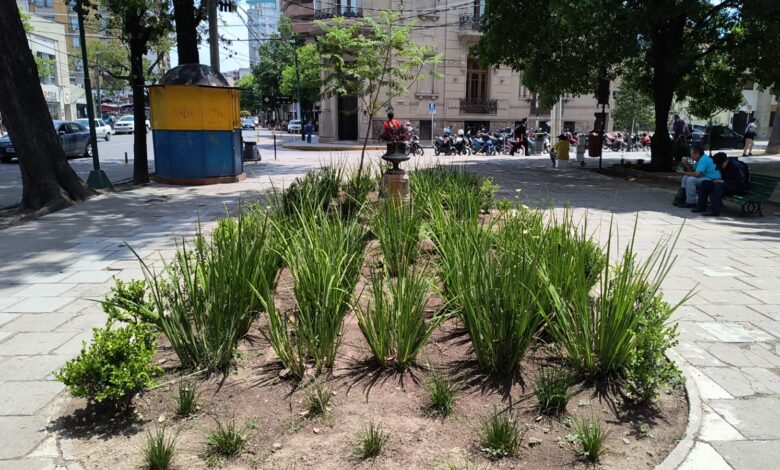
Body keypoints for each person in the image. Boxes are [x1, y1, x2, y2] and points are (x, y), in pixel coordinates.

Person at [675, 143, 720, 207]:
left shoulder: (704, 160)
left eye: (692, 154)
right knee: (686, 177)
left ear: (697, 153)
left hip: (712, 179)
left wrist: (683, 172)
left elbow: (697, 174)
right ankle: (682, 198)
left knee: (691, 180)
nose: (691, 156)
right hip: (705, 178)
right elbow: (692, 172)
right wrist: (687, 164)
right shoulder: (699, 160)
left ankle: (691, 203)